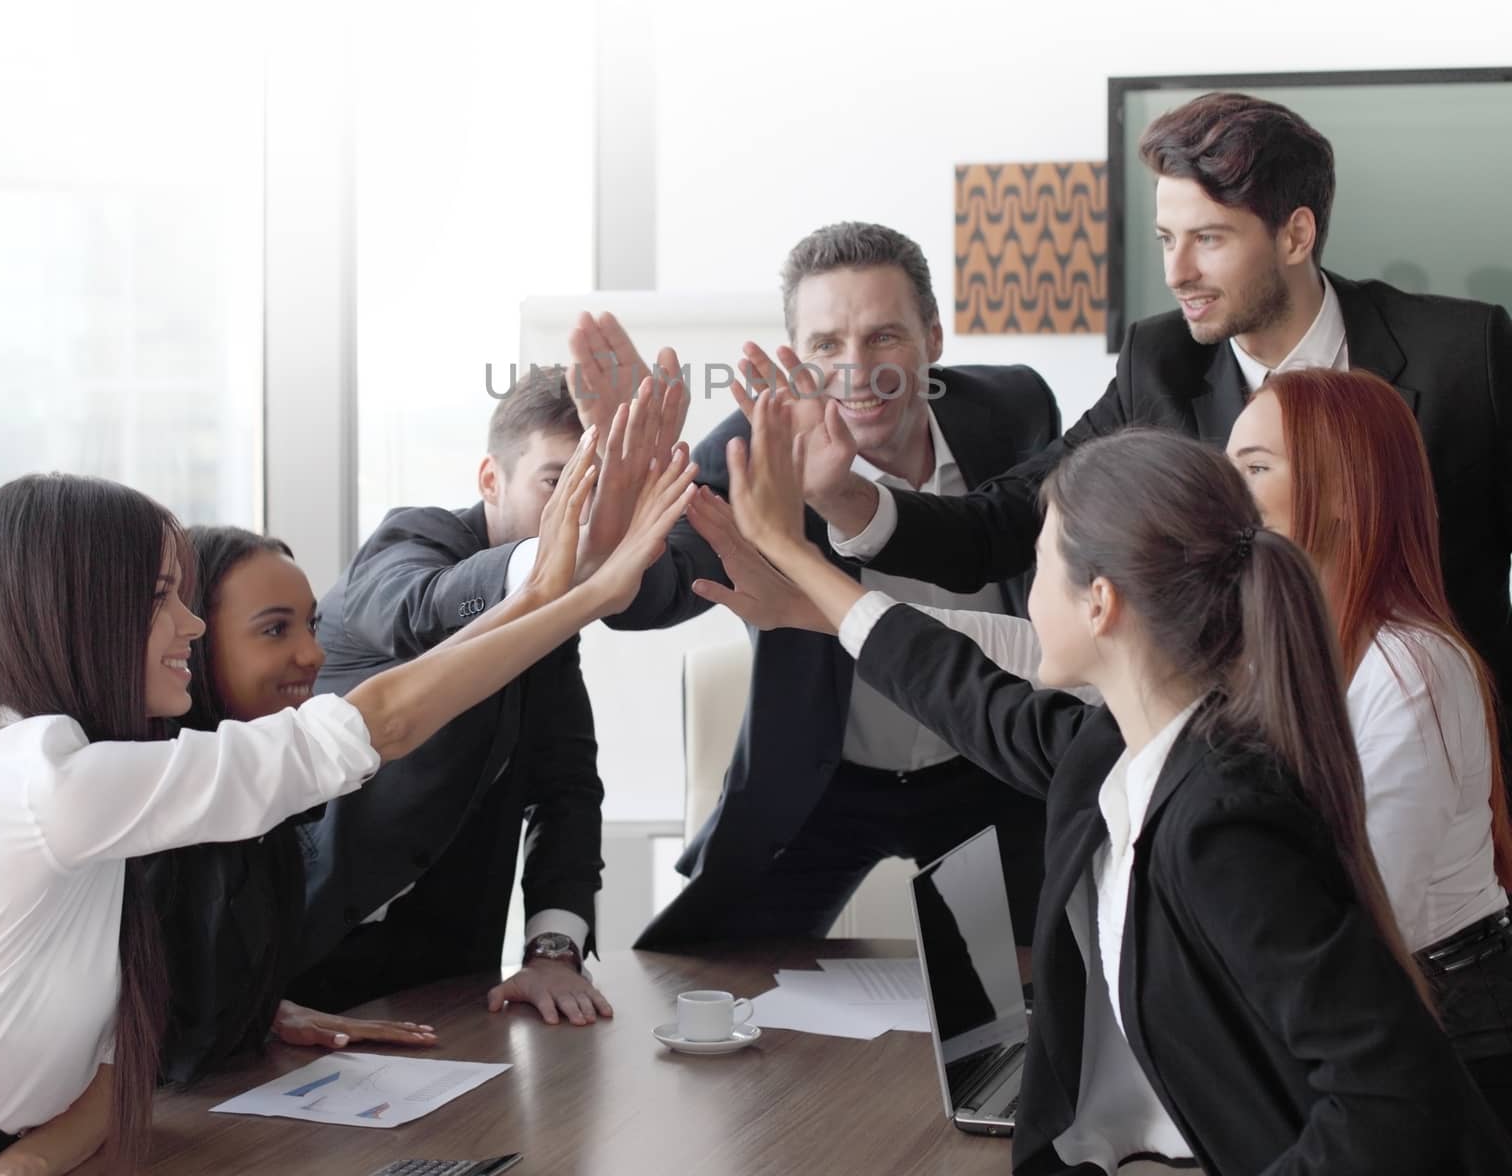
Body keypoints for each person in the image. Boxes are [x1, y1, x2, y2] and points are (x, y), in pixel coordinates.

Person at [725, 386, 1512, 1174]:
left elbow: (1390, 1098)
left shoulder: (1224, 817)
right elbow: (965, 688)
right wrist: (805, 575)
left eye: (1036, 567)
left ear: (1100, 603)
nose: (1026, 597)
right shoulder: (1117, 750)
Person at [0, 410, 694, 1176]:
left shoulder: (69, 785)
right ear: (73, 609)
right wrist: (580, 598)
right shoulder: (44, 778)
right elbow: (369, 727)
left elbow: (109, 1071)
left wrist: (542, 599)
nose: (189, 624)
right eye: (160, 596)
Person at [791, 93, 1512, 708]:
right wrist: (852, 502)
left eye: (1209, 239)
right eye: (1167, 238)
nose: (1177, 272)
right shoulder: (1160, 364)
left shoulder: (1463, 352)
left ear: (1296, 234)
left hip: (1451, 751)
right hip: (1249, 761)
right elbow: (1009, 520)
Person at [574, 221, 1060, 949]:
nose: (856, 371)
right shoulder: (747, 453)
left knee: (1009, 1011)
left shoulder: (1013, 412)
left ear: (933, 336)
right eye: (827, 346)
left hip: (986, 760)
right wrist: (624, 489)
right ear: (795, 359)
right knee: (715, 981)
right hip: (826, 778)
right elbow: (651, 595)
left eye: (884, 337)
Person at [291, 367, 655, 1025]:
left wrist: (552, 950)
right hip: (296, 955)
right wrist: (549, 569)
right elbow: (416, 611)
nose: (588, 512)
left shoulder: (557, 624)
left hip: (444, 979)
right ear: (492, 479)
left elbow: (565, 790)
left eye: (601, 489)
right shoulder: (411, 543)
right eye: (559, 482)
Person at [1227, 367, 1512, 1123]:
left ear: (1347, 494)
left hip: (1453, 1029)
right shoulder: (1279, 643)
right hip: (1368, 1009)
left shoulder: (1411, 667)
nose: (1225, 495)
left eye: (1254, 470)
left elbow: (1372, 909)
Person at [147, 527, 440, 1085]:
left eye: (312, 625)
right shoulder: (150, 800)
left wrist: (262, 1012)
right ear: (194, 641)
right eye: (275, 630)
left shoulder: (266, 816)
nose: (313, 654)